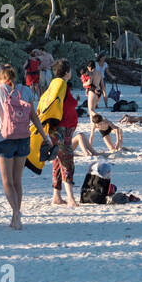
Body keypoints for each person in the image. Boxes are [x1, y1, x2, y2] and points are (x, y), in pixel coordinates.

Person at [0, 63, 53, 230]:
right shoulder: (26, 90)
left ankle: (16, 213)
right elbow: (34, 117)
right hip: (24, 138)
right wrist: (44, 136)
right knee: (17, 181)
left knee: (7, 181)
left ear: (0, 78)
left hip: (4, 139)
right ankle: (16, 217)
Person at [48, 59, 80, 207]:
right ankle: (71, 198)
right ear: (67, 72)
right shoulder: (62, 85)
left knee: (57, 160)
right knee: (67, 160)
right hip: (63, 128)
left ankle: (57, 196)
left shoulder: (55, 85)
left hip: (58, 128)